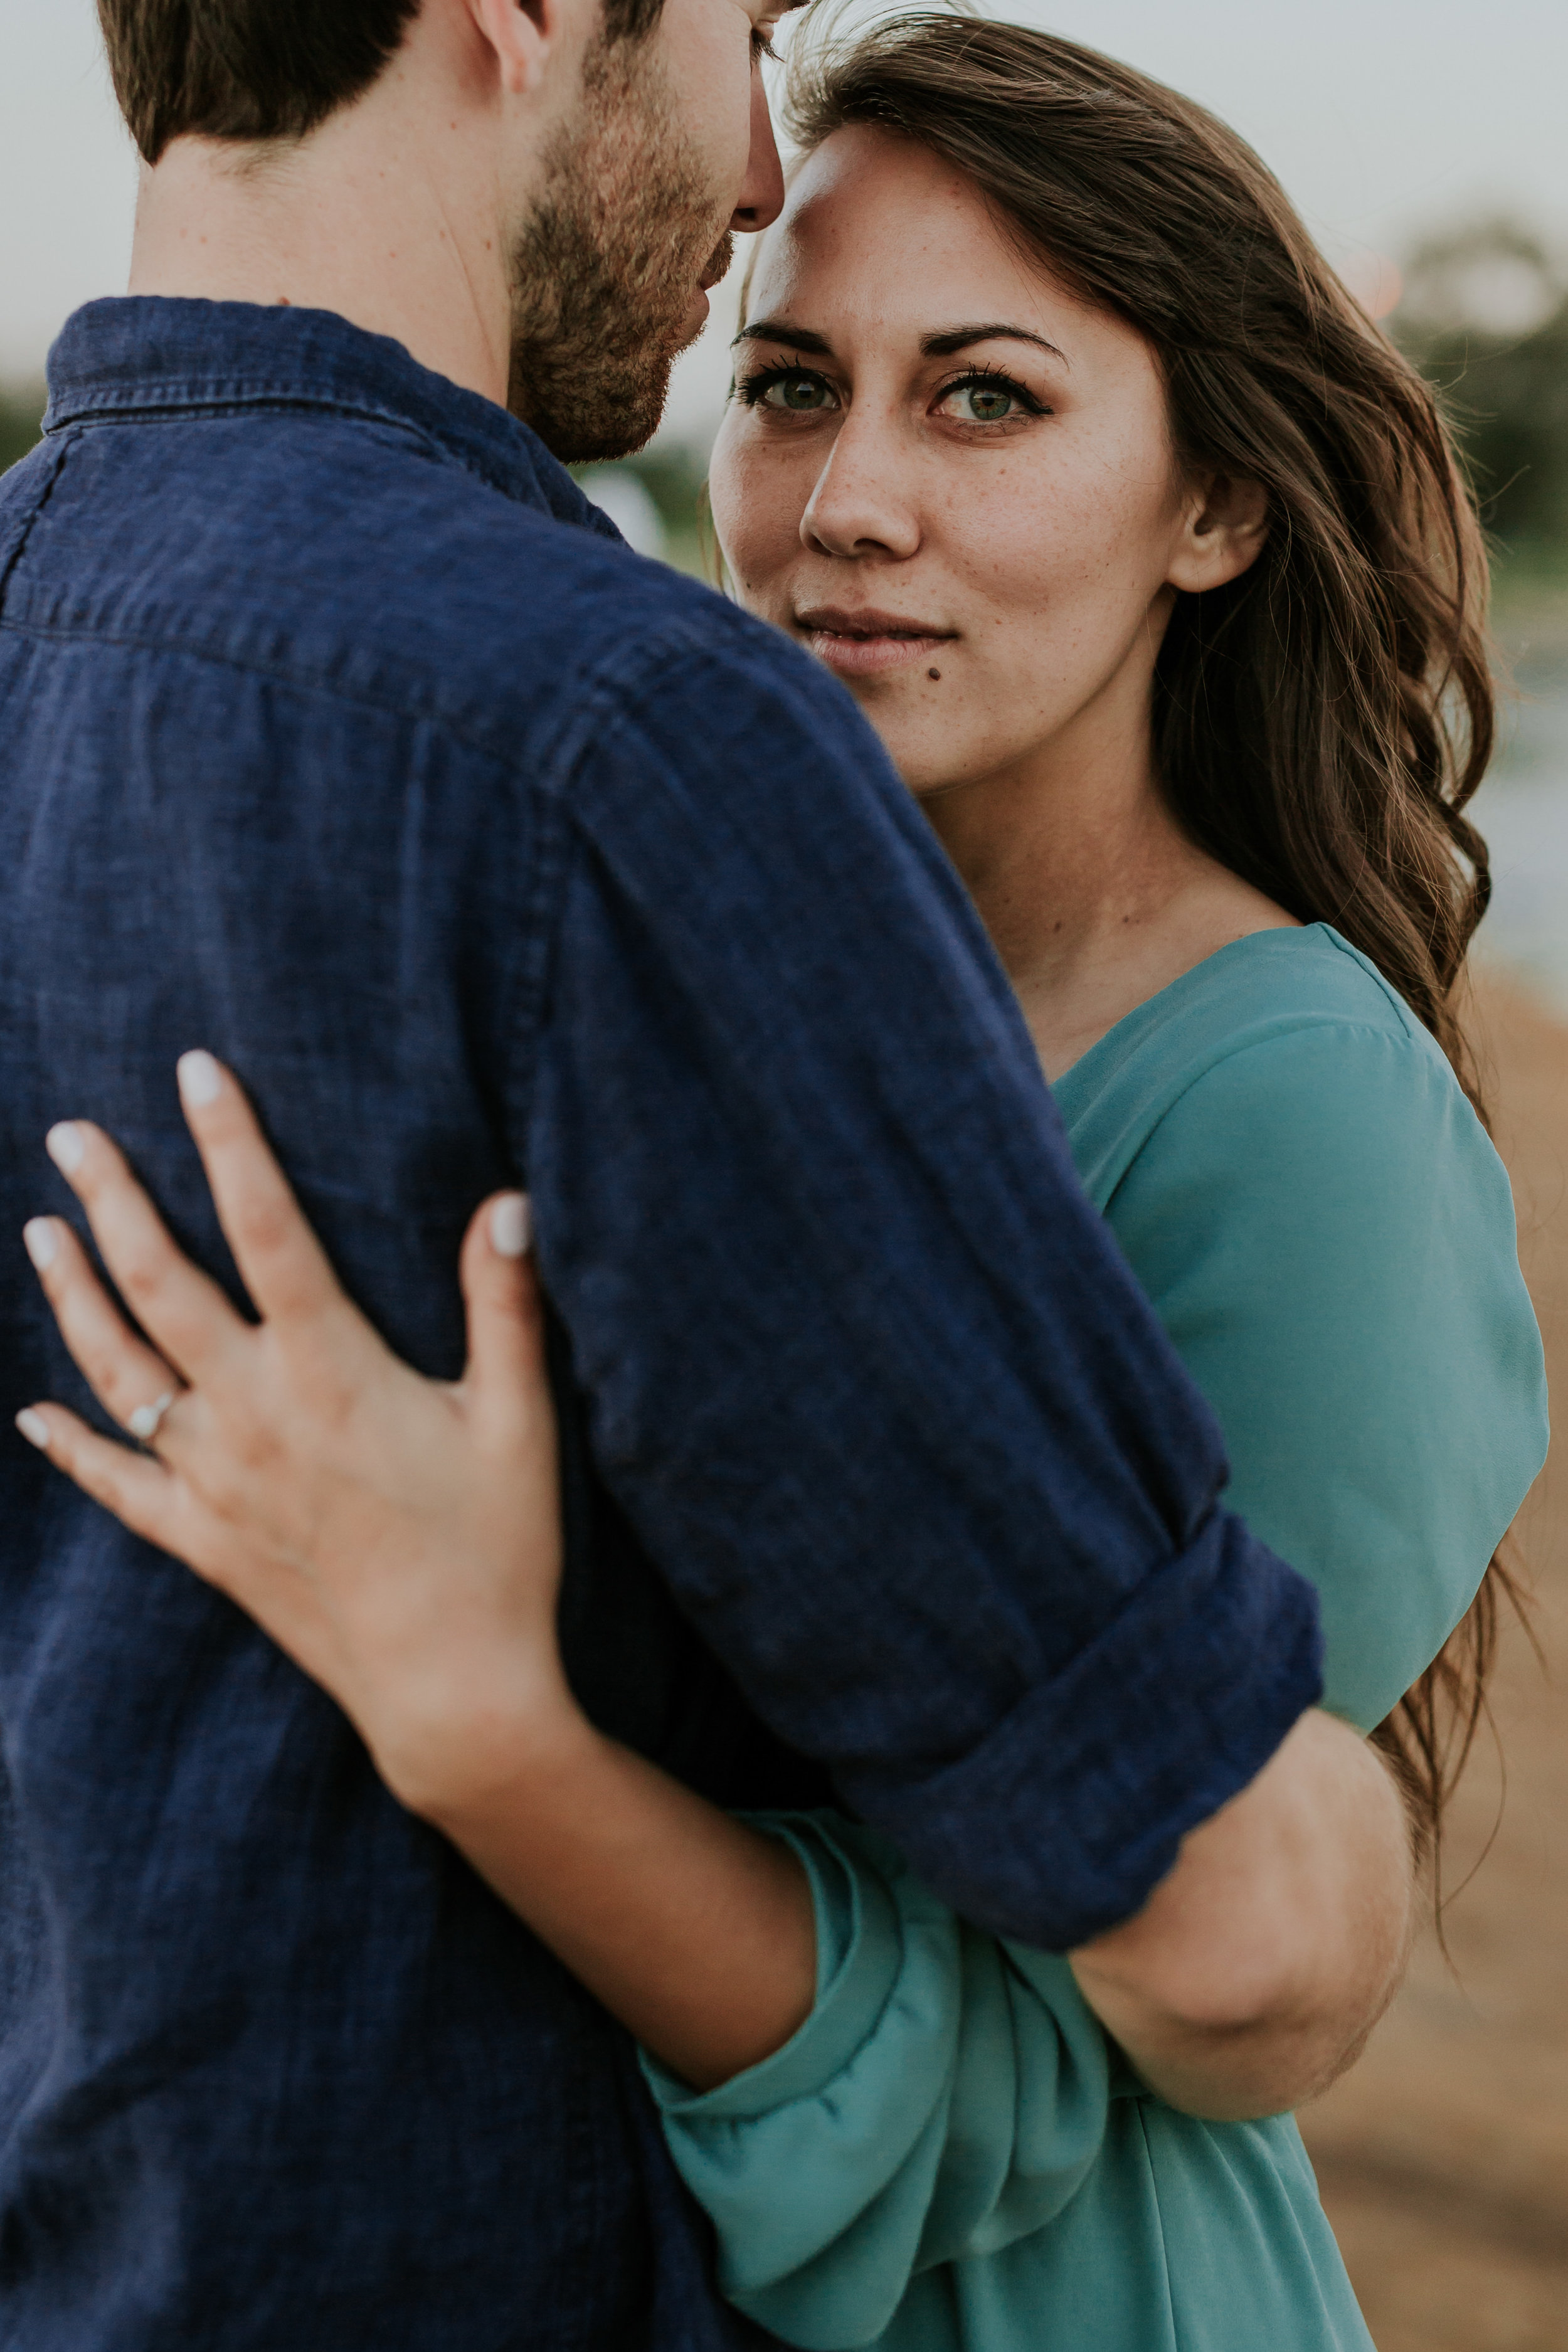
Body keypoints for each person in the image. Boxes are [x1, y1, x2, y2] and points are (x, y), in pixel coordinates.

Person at [13, 13, 1547, 2351]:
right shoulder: (650, 820)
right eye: (794, 384)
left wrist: (492, 1729)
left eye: (987, 398)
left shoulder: (1298, 1118)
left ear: (1215, 504)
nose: (841, 501)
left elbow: (1091, 2023)